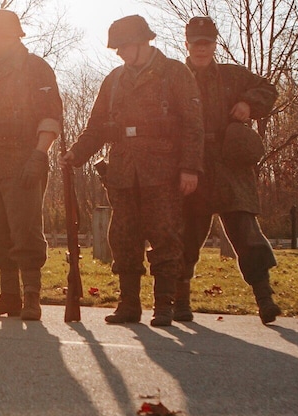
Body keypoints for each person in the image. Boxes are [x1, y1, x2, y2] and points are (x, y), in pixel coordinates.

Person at [64, 15, 205, 327]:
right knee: (123, 238)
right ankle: (128, 304)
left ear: (143, 42)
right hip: (124, 174)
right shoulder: (114, 80)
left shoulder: (174, 74)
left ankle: (165, 305)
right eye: (118, 49)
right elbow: (97, 127)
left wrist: (190, 168)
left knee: (165, 237)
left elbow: (194, 126)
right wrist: (76, 153)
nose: (119, 53)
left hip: (164, 171)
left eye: (124, 46)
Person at [176, 17, 284, 325]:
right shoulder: (175, 78)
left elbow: (268, 89)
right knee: (185, 236)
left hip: (229, 167)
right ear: (187, 44)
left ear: (214, 45)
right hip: (191, 164)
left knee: (246, 233)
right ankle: (180, 301)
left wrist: (248, 104)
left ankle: (265, 299)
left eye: (207, 43)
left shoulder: (233, 76)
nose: (201, 49)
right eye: (196, 43)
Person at [0, 9, 64, 321]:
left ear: (12, 37)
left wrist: (39, 153)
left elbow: (51, 116)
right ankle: (9, 295)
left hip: (22, 158)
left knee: (25, 229)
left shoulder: (36, 68)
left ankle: (31, 297)